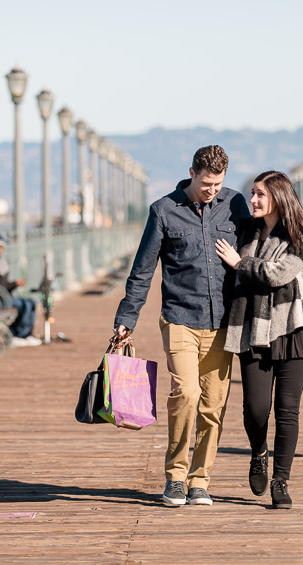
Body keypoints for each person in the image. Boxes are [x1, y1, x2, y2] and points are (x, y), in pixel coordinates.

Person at [113, 145, 252, 507]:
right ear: (191, 172)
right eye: (206, 183)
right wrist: (126, 320)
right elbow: (142, 271)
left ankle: (200, 480)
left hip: (222, 321)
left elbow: (258, 249)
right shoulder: (163, 210)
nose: (212, 191)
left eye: (218, 184)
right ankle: (175, 476)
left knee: (213, 405)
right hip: (179, 318)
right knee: (186, 394)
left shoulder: (235, 204)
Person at [215, 170, 303, 509]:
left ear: (279, 197)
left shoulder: (301, 236)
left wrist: (238, 262)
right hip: (252, 328)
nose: (254, 200)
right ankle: (259, 452)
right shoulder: (246, 230)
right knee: (255, 409)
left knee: (287, 410)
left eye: (260, 194)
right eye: (252, 193)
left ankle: (281, 480)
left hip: (292, 328)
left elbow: (276, 275)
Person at [0, 233, 41, 347]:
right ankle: (20, 334)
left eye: (0, 247)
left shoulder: (2, 262)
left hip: (5, 297)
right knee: (24, 305)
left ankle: (26, 333)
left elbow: (3, 285)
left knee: (31, 302)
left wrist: (14, 284)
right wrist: (14, 283)